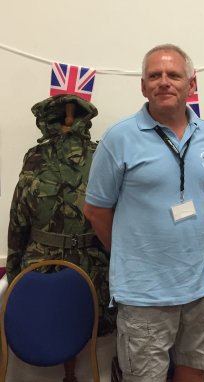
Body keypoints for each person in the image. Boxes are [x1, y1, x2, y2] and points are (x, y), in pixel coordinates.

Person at [83, 44, 204, 382]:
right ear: (143, 86)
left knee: (196, 373)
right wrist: (132, 256)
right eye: (154, 76)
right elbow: (95, 210)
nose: (164, 82)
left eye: (173, 75)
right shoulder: (119, 138)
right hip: (145, 294)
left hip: (202, 288)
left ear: (191, 83)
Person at [7, 94, 116, 382]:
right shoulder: (35, 157)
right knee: (47, 330)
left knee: (85, 330)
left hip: (91, 263)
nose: (66, 121)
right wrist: (15, 263)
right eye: (60, 115)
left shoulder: (100, 155)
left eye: (71, 115)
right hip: (41, 263)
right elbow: (19, 213)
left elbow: (115, 211)